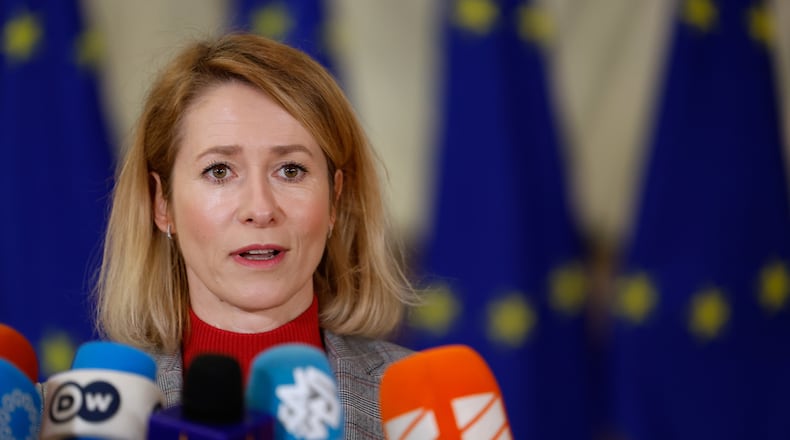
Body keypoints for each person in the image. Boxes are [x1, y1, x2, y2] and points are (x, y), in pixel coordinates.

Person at [93, 32, 417, 437]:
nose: (260, 210)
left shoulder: (416, 409)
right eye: (219, 171)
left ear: (334, 199)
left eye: (291, 170)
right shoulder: (84, 416)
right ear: (162, 204)